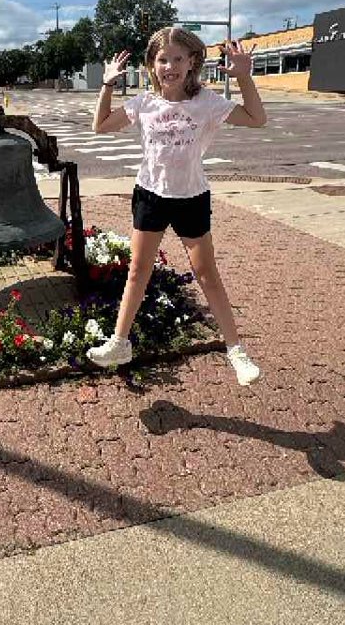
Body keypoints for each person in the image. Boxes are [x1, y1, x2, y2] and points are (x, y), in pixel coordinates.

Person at [86, 26, 266, 385]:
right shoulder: (144, 104)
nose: (170, 66)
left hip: (191, 197)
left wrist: (245, 78)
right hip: (151, 195)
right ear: (152, 65)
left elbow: (256, 118)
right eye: (162, 59)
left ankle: (236, 351)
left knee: (206, 274)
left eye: (178, 59)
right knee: (138, 271)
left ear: (192, 62)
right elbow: (100, 126)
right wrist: (107, 84)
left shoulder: (207, 102)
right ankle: (120, 342)